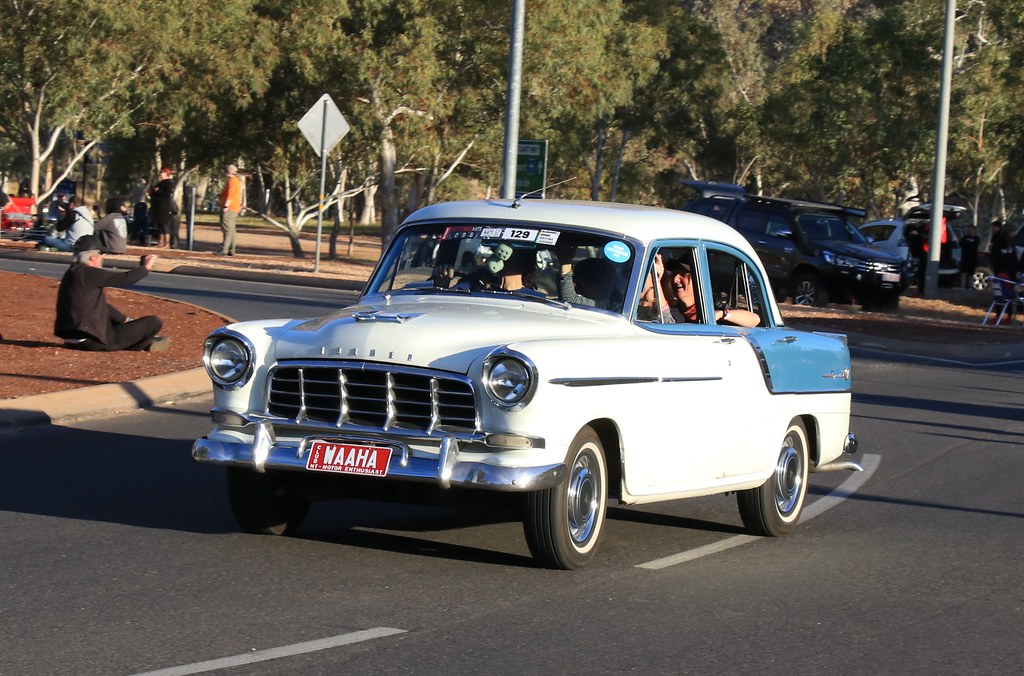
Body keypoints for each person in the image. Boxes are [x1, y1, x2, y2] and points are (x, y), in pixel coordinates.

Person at [53, 235, 169, 352]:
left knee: (117, 323)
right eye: (101, 254)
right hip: (93, 341)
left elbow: (100, 306)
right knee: (153, 322)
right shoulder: (89, 273)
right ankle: (141, 344)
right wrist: (146, 267)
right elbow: (126, 278)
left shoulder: (71, 273)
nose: (103, 257)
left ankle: (144, 342)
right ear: (92, 257)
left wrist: (125, 320)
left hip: (71, 337)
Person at [654, 257, 760, 327]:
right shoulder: (675, 311)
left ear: (699, 280)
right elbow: (667, 323)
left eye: (683, 274)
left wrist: (722, 314)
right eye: (675, 274)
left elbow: (754, 320)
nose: (675, 279)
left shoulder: (712, 306)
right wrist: (657, 279)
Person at [216, 164, 243, 256]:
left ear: (229, 172)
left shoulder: (232, 181)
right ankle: (231, 249)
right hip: (234, 207)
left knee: (227, 229)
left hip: (229, 208)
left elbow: (230, 195)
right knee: (231, 229)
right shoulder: (237, 181)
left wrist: (226, 206)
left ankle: (224, 249)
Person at [148, 166, 177, 248]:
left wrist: (158, 191)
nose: (160, 174)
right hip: (157, 207)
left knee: (165, 225)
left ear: (166, 173)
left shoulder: (168, 183)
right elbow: (153, 191)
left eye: (162, 172)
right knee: (159, 224)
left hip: (164, 207)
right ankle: (160, 242)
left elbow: (167, 194)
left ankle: (167, 243)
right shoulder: (160, 183)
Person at [959, 225, 980, 289]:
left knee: (971, 273)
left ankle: (970, 287)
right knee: (963, 273)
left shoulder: (976, 238)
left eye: (971, 229)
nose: (970, 230)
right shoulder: (965, 237)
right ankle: (962, 287)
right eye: (969, 229)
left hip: (972, 258)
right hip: (965, 257)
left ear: (974, 230)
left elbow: (974, 245)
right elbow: (961, 244)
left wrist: (968, 244)